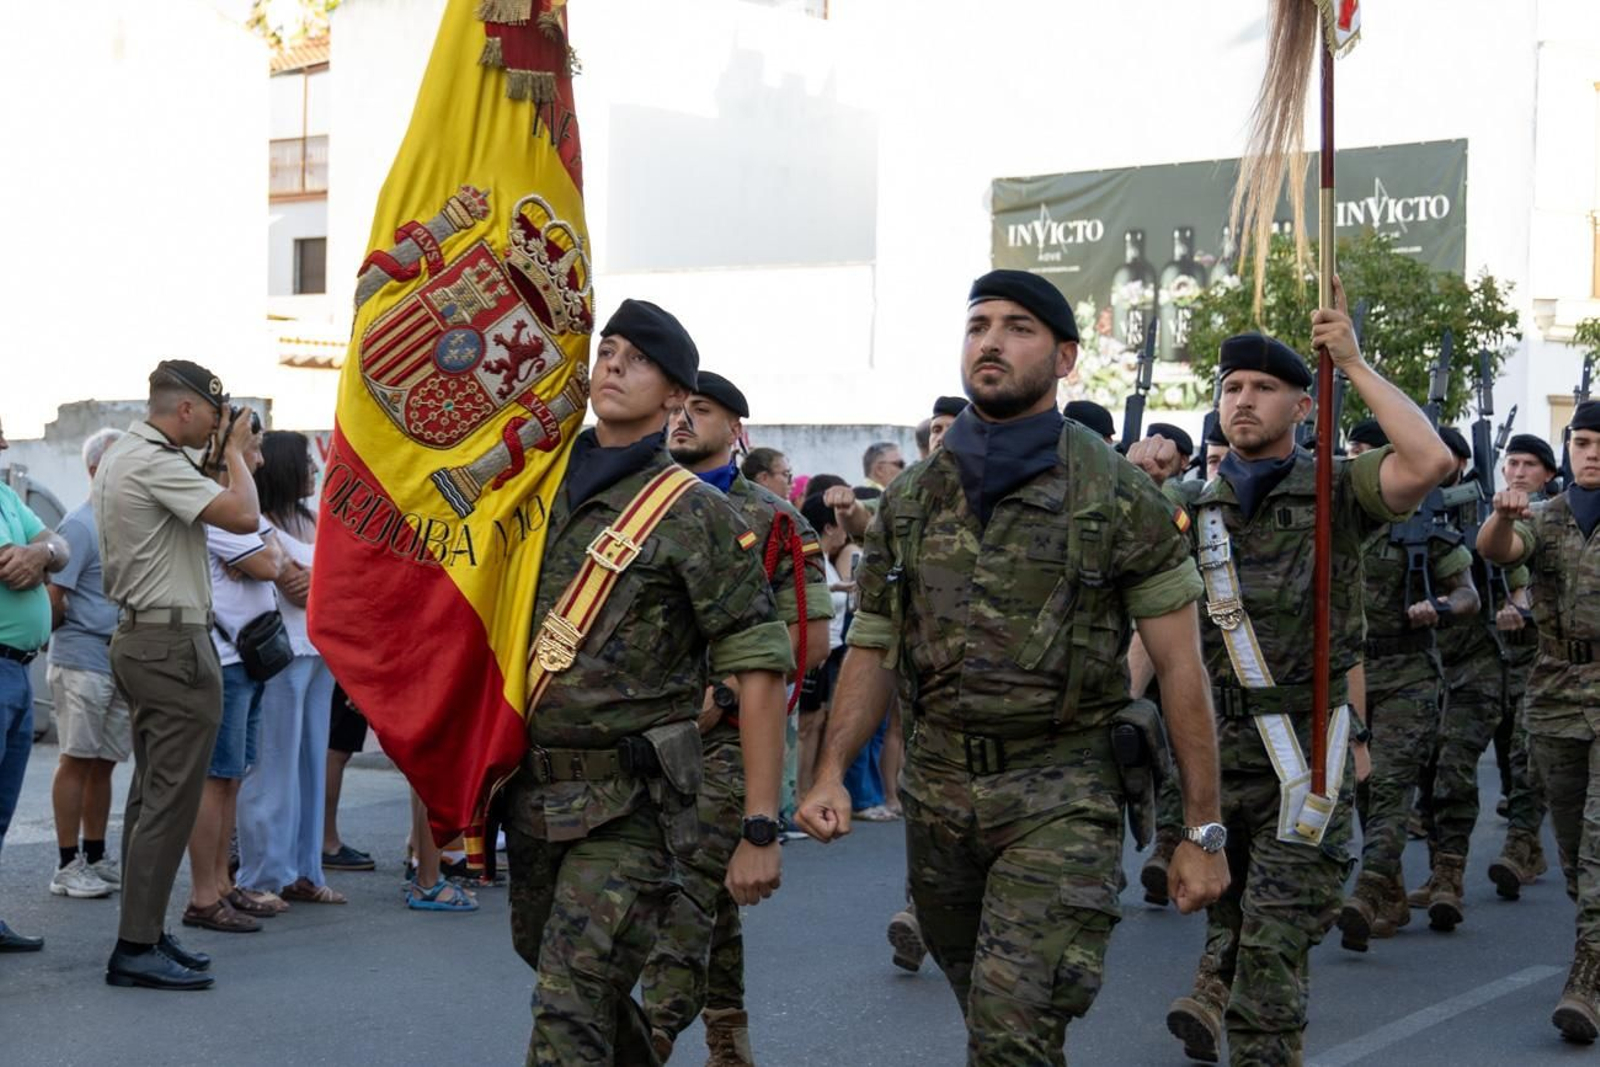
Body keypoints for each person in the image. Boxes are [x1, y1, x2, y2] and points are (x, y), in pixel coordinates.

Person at [798, 269, 1229, 1065]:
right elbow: (875, 646)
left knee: (1009, 1029)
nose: (991, 340)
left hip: (1061, 794)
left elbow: (1180, 669)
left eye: (1018, 327)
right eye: (979, 325)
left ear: (1065, 358)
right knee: (998, 1024)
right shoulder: (914, 498)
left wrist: (1201, 829)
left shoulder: (1120, 497)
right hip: (937, 796)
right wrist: (829, 769)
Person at [1142, 290, 1454, 1065]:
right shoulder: (1187, 506)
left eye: (1264, 387)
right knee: (1230, 915)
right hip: (1209, 758)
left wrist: (1351, 356)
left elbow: (1431, 461)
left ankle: (1249, 1019)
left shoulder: (1335, 489)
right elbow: (1154, 627)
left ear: (1304, 404)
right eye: (1232, 387)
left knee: (1275, 951)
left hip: (1300, 757)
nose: (1243, 399)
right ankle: (1222, 972)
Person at [504, 299, 792, 1065]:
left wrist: (760, 824)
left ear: (675, 397)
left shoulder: (696, 514)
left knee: (566, 1012)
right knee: (562, 974)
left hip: (632, 807)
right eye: (607, 351)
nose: (612, 366)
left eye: (637, 358)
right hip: (532, 793)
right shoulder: (533, 490)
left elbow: (758, 663)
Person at [644, 368, 832, 1065]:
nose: (683, 420)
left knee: (687, 872)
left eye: (702, 409)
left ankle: (648, 1032)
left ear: (735, 428)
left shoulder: (776, 520)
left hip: (728, 737)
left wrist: (725, 694)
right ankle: (728, 1031)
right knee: (709, 889)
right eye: (678, 408)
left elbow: (808, 640)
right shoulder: (639, 506)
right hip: (645, 733)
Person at [95, 359, 263, 990]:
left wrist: (223, 449)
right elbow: (244, 516)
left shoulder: (128, 452)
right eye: (214, 416)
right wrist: (239, 454)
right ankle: (136, 946)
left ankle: (145, 931)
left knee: (150, 801)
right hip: (171, 644)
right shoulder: (157, 460)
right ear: (187, 409)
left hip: (147, 638)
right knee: (170, 801)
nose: (218, 428)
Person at [1477, 398, 1600, 1041]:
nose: (1591, 452)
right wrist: (1501, 517)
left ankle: (1586, 976)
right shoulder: (1543, 518)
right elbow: (1498, 551)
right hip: (1554, 691)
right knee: (1575, 846)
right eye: (1581, 442)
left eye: (1598, 442)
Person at [1335, 419, 1478, 954]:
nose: (1359, 465)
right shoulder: (1337, 522)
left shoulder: (1424, 526)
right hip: (1350, 674)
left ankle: (1369, 890)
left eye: (1369, 454)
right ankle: (1392, 893)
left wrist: (1438, 607)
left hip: (1409, 673)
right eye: (1354, 454)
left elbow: (1468, 595)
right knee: (1363, 789)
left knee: (1390, 782)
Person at [236, 431, 344, 907]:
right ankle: (259, 876)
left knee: (310, 766)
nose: (314, 471)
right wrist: (327, 586)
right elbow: (302, 591)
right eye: (305, 462)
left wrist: (323, 586)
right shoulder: (255, 522)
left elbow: (330, 586)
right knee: (273, 768)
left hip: (319, 655)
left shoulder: (313, 520)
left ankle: (304, 870)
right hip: (281, 657)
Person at [184, 423, 280, 934]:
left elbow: (275, 556)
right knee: (215, 778)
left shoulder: (235, 509)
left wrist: (265, 553)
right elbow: (269, 565)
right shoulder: (217, 506)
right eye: (252, 450)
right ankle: (205, 894)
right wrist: (234, 455)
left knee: (231, 778)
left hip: (246, 660)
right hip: (225, 659)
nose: (259, 461)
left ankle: (222, 884)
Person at [1410, 424, 1506, 932]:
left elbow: (1514, 573)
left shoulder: (1482, 517)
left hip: (1476, 667)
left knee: (1453, 768)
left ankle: (1449, 875)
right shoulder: (1404, 511)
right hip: (1423, 669)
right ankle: (1434, 868)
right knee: (1424, 771)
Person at [46, 428, 128, 901]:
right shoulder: (79, 523)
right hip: (82, 659)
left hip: (116, 659)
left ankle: (95, 856)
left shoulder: (120, 520)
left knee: (104, 763)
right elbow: (56, 598)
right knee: (76, 759)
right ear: (96, 469)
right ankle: (66, 863)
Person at [0, 412, 72, 952]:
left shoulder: (5, 497)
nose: (4, 442)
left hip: (19, 671)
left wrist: (37, 554)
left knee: (3, 809)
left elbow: (60, 543)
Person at [1484, 433, 1560, 898]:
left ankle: (1520, 844)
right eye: (1512, 463)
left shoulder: (1556, 518)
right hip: (1487, 655)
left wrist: (1520, 605)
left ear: (1547, 474)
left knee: (1525, 749)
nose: (1518, 472)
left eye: (1529, 464)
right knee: (1495, 748)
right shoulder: (1488, 516)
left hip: (1544, 654)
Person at [796, 493, 856, 798]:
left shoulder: (826, 561)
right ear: (830, 526)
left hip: (828, 652)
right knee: (806, 727)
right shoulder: (813, 557)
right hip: (813, 655)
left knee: (817, 722)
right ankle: (797, 796)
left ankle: (807, 790)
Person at [321, 684, 376, 871]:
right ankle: (326, 842)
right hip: (343, 666)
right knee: (337, 747)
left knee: (340, 745)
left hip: (346, 666)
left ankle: (325, 840)